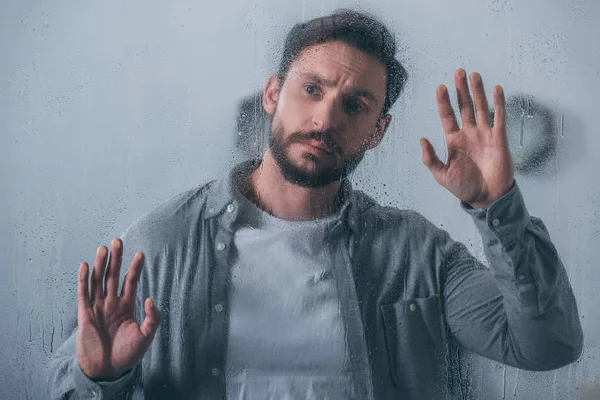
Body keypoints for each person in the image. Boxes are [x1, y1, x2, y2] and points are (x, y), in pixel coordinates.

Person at [47, 9, 583, 400]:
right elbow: (64, 389)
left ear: (378, 131)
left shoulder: (418, 254)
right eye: (311, 89)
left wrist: (499, 207)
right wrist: (101, 381)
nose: (326, 120)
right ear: (273, 94)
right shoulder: (164, 244)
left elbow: (548, 347)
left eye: (355, 105)